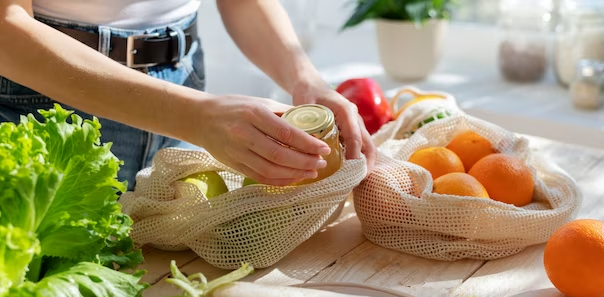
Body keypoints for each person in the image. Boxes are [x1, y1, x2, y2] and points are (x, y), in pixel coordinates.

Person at [0, 0, 377, 190]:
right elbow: (6, 28)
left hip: (186, 84)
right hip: (44, 106)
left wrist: (305, 80)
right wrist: (194, 117)